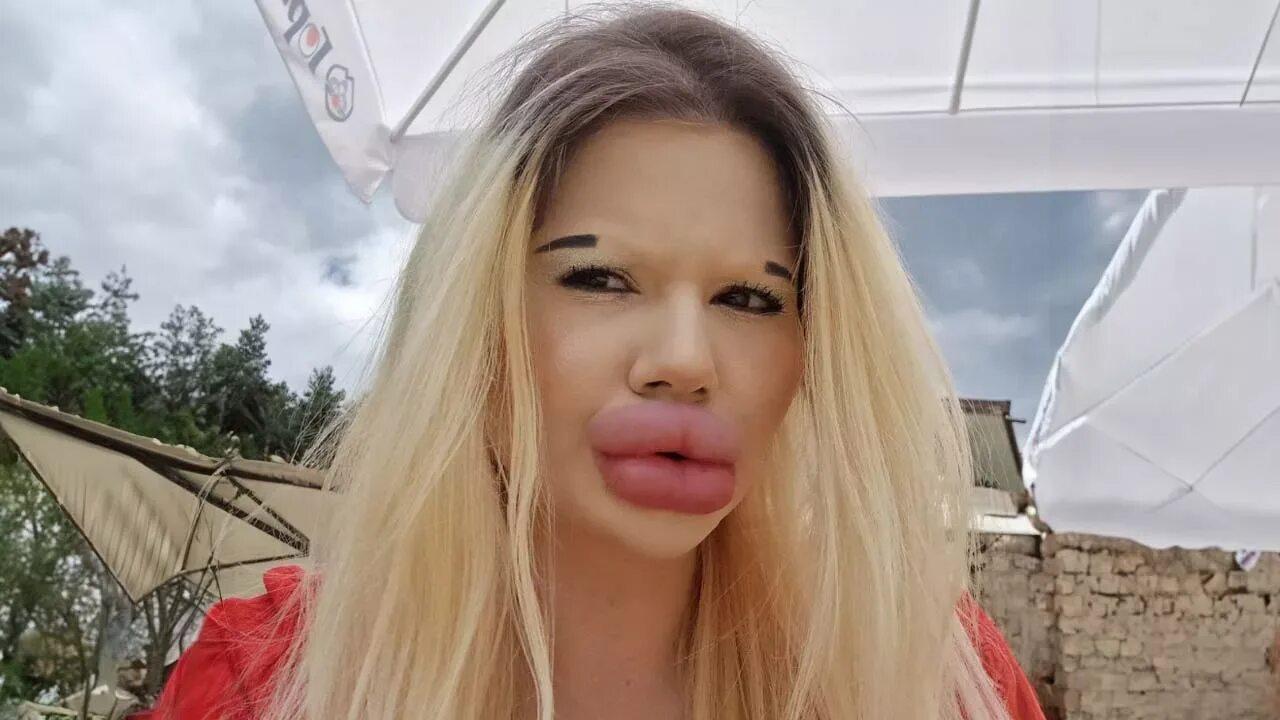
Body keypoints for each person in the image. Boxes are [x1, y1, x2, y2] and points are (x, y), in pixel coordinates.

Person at [136, 6, 1046, 720]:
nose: (683, 361)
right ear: (477, 317)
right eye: (600, 279)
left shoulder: (930, 681)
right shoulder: (272, 686)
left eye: (749, 298)